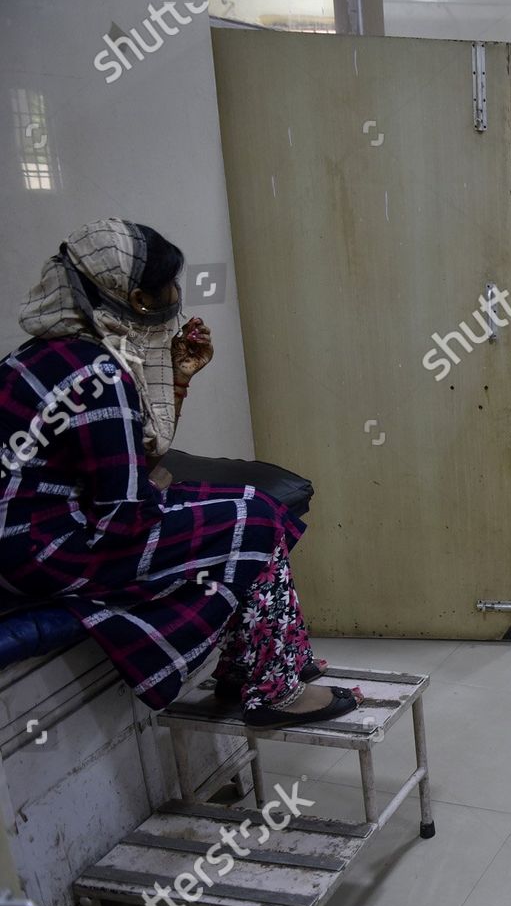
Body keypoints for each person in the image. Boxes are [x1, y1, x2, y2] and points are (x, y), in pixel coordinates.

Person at [0, 219, 359, 727]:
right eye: (169, 287)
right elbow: (127, 515)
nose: (177, 297)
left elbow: (133, 466)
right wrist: (167, 494)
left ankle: (256, 666)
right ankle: (274, 687)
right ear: (138, 300)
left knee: (247, 508)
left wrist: (177, 382)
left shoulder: (38, 355)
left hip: (27, 541)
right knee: (255, 516)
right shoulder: (99, 375)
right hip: (44, 556)